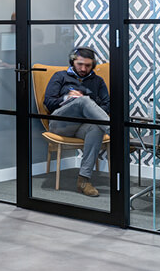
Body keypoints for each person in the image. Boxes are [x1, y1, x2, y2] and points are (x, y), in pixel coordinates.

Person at [43, 46, 110, 197]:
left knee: (96, 127)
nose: (83, 68)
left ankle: (84, 180)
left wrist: (90, 108)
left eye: (87, 65)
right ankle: (120, 136)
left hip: (82, 126)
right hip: (60, 124)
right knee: (82, 100)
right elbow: (48, 102)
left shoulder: (98, 81)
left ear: (93, 65)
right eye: (80, 64)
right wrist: (68, 98)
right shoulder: (59, 76)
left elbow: (106, 105)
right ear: (72, 61)